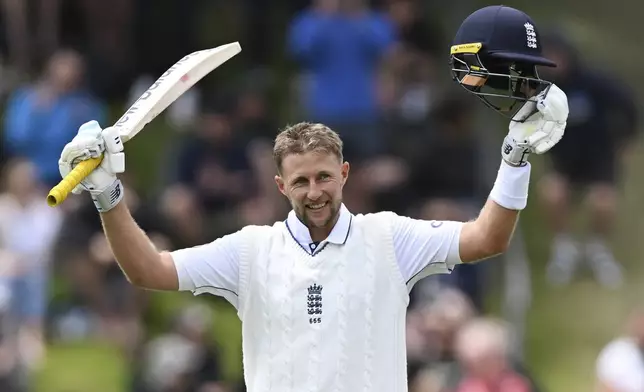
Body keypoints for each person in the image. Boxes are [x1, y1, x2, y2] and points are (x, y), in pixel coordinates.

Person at [55, 5, 568, 392]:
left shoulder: (389, 237)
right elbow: (149, 271)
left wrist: (515, 157)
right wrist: (108, 195)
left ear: (344, 174)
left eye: (324, 177)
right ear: (281, 187)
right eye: (301, 182)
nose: (315, 192)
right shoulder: (250, 251)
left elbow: (487, 239)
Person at [536, 31, 638, 288]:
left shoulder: (595, 81)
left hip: (599, 159)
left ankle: (597, 250)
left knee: (603, 203)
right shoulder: (543, 88)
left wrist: (627, 138)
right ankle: (564, 250)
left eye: (556, 54)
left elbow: (628, 105)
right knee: (551, 193)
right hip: (565, 161)